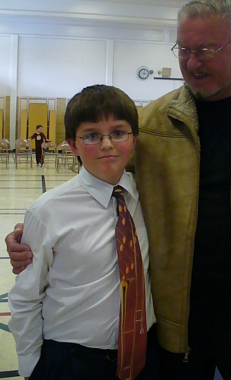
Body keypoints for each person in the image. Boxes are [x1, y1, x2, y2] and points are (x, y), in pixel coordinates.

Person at [6, 0, 231, 379]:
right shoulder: (153, 123)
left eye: (207, 49)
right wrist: (29, 235)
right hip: (173, 333)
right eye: (184, 49)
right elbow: (105, 188)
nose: (193, 63)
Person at [8, 85, 158, 380]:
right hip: (73, 360)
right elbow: (26, 297)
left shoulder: (148, 197)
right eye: (91, 135)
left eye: (118, 132)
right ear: (72, 145)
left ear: (134, 139)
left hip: (145, 353)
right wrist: (31, 365)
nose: (106, 144)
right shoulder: (47, 211)